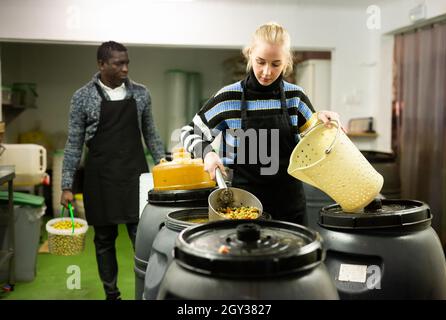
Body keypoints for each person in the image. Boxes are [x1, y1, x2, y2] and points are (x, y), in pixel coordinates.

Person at [181, 22, 342, 225]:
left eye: (276, 64)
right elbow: (188, 132)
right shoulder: (228, 97)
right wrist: (207, 153)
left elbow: (314, 144)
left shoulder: (296, 98)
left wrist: (324, 123)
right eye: (260, 62)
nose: (267, 71)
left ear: (286, 62)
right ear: (249, 55)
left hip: (289, 207)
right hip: (241, 206)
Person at [61, 41, 165, 300]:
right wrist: (66, 185)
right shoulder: (82, 97)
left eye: (127, 62)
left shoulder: (141, 94)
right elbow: (73, 143)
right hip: (100, 179)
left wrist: (164, 165)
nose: (126, 68)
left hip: (135, 177)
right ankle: (112, 295)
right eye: (119, 63)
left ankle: (148, 293)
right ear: (101, 64)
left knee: (143, 237)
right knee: (104, 241)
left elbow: (151, 135)